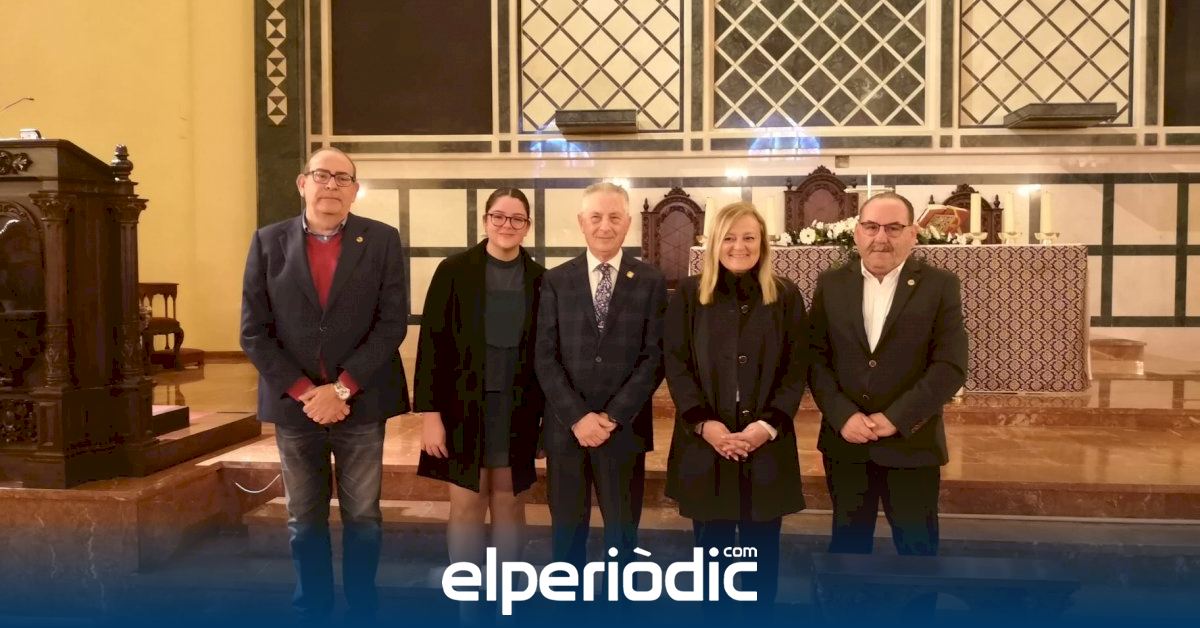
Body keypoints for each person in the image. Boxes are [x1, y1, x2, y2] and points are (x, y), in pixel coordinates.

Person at [240, 147, 409, 622]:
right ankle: (312, 605)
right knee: (303, 518)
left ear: (355, 190)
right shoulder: (268, 241)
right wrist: (305, 392)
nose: (331, 184)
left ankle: (362, 604)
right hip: (296, 408)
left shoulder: (381, 240)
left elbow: (391, 324)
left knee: (364, 517)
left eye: (342, 178)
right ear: (302, 183)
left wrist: (342, 388)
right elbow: (253, 331)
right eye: (322, 175)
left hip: (361, 402)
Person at [664, 202, 809, 612]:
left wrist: (767, 426)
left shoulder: (785, 295)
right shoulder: (690, 294)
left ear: (763, 243)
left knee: (762, 555)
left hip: (766, 445)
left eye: (749, 237)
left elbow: (796, 368)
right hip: (706, 444)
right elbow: (676, 364)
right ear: (714, 242)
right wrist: (704, 423)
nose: (739, 246)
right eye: (729, 237)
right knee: (712, 560)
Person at [808, 192, 968, 559]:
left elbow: (950, 365)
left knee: (917, 552)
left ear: (913, 234)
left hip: (912, 444)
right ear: (857, 232)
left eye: (894, 228)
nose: (881, 237)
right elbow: (814, 358)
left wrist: (896, 418)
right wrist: (842, 415)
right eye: (871, 227)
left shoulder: (939, 285)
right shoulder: (831, 283)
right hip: (846, 443)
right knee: (847, 550)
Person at [413, 188, 545, 623]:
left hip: (519, 407)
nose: (507, 225)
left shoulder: (541, 279)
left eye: (517, 218)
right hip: (462, 407)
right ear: (485, 220)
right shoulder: (454, 271)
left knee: (509, 502)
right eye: (499, 216)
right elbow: (432, 346)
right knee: (467, 503)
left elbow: (549, 354)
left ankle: (506, 598)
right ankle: (468, 603)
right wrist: (430, 416)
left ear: (527, 226)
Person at [534, 182, 668, 569]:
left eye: (614, 217)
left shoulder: (651, 281)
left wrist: (612, 416)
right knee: (566, 536)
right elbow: (544, 356)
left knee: (622, 537)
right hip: (567, 431)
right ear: (581, 222)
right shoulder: (556, 280)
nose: (604, 226)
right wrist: (578, 417)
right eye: (595, 217)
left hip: (622, 430)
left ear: (628, 222)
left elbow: (654, 358)